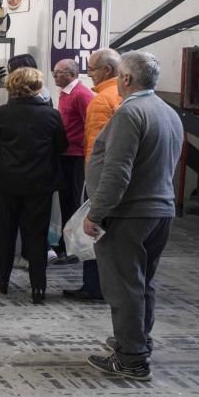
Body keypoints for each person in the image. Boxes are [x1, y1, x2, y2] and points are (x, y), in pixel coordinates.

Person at [83, 51, 183, 381]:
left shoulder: (130, 113)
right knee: (142, 284)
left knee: (124, 287)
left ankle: (131, 359)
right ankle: (136, 341)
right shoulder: (168, 113)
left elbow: (117, 171)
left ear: (126, 79)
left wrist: (96, 212)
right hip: (159, 210)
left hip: (129, 214)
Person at [0, 67, 67, 304]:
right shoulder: (51, 115)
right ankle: (38, 287)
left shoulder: (4, 112)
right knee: (37, 234)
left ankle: (2, 280)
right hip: (40, 182)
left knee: (5, 230)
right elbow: (61, 145)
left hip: (7, 180)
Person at [65, 48, 123, 301]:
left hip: (102, 179)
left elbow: (97, 147)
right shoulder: (123, 96)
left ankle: (93, 286)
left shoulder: (101, 100)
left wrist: (92, 181)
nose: (89, 75)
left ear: (107, 70)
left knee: (94, 232)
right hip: (124, 179)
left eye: (91, 69)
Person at [53, 58, 93, 265]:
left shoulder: (81, 94)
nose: (54, 75)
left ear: (71, 73)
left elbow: (91, 124)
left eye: (58, 72)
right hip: (65, 154)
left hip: (76, 156)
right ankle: (64, 244)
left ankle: (73, 249)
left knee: (73, 202)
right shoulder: (66, 93)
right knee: (65, 200)